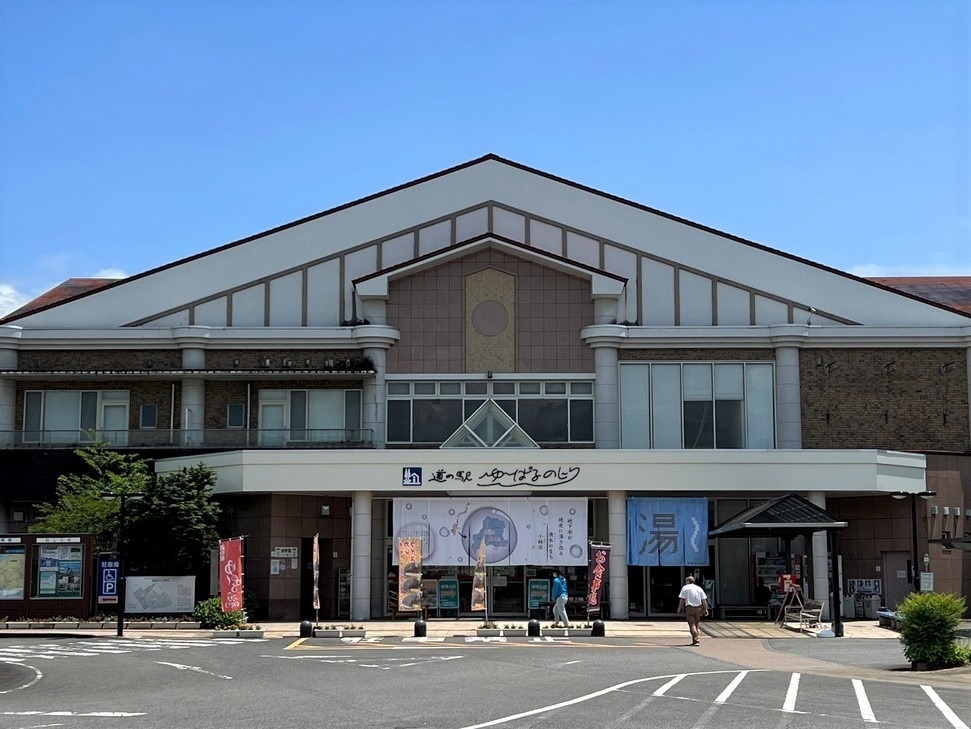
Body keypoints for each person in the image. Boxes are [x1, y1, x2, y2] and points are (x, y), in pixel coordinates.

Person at [676, 575, 709, 645]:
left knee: (691, 624)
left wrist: (679, 608)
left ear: (688, 581)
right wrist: (705, 609)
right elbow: (704, 600)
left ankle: (696, 639)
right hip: (698, 608)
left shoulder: (685, 588)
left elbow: (682, 599)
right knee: (696, 624)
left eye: (686, 581)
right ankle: (694, 640)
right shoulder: (699, 588)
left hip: (689, 607)